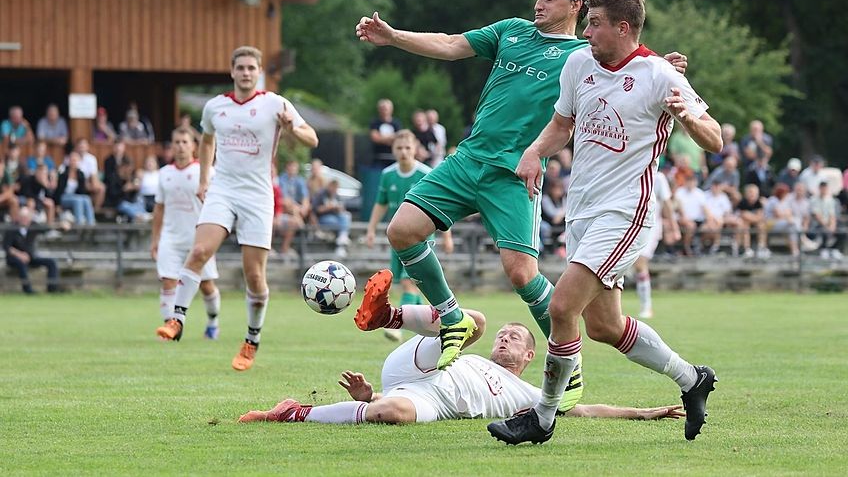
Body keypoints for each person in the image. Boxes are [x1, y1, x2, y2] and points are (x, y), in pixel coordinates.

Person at [355, 0, 689, 381]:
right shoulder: (510, 31)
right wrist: (394, 37)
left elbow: (628, 57)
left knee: (522, 274)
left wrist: (660, 64)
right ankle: (453, 318)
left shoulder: (582, 55)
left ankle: (569, 369)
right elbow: (451, 43)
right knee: (402, 230)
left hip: (515, 173)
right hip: (468, 159)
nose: (538, 4)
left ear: (576, 6)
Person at [487, 0, 720, 446]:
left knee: (560, 307)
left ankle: (543, 417)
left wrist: (689, 120)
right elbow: (562, 124)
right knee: (604, 328)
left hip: (625, 211)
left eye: (594, 23)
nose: (586, 32)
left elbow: (714, 138)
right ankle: (692, 378)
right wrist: (534, 152)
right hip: (582, 212)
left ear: (623, 27)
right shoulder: (579, 64)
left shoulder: (658, 74)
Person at [240, 302, 684, 426]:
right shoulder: (468, 355)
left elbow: (584, 409)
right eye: (505, 337)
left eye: (515, 338)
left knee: (390, 413)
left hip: (428, 399)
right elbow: (477, 332)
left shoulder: (533, 395)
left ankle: (291, 412)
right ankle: (390, 316)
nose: (505, 339)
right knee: (475, 322)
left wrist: (645, 412)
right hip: (426, 365)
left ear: (530, 357)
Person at [155, 46, 318, 372]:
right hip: (223, 190)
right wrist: (205, 179)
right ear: (232, 71)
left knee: (254, 275)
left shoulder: (275, 103)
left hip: (258, 195)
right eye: (240, 67)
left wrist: (292, 128)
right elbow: (207, 140)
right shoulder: (215, 106)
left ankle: (251, 340)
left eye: (251, 68)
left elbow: (311, 139)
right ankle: (176, 319)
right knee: (199, 251)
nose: (245, 73)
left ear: (259, 72)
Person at [365, 131, 452, 341]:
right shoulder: (388, 174)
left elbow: (440, 205)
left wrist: (447, 236)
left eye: (407, 148)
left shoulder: (425, 173)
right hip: (397, 239)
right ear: (393, 150)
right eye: (399, 148)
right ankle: (430, 329)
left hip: (421, 238)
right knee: (412, 285)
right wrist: (371, 229)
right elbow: (381, 203)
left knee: (408, 282)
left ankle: (397, 326)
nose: (403, 152)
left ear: (415, 149)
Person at [150, 127, 221, 339]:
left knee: (206, 286)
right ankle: (169, 329)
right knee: (168, 281)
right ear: (171, 146)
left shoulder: (207, 173)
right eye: (177, 142)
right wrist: (155, 239)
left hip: (199, 240)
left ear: (193, 146)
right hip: (170, 238)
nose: (180, 146)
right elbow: (159, 208)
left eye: (184, 142)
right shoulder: (164, 174)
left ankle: (213, 323)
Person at [633, 169, 678, 318]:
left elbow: (667, 204)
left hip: (650, 226)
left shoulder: (659, 178)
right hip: (631, 224)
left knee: (640, 263)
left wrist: (674, 228)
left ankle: (646, 306)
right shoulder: (632, 171)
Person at [3, 206, 59, 294]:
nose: (24, 220)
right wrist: (20, 255)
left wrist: (61, 225)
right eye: (22, 217)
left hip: (30, 257)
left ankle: (52, 289)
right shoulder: (11, 228)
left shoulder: (33, 226)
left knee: (51, 262)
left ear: (30, 218)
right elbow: (6, 247)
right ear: (19, 217)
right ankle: (28, 290)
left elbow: (47, 228)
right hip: (14, 258)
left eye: (26, 218)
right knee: (21, 264)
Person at [55, 151, 95, 226]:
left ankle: (91, 223)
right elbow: (58, 190)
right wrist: (57, 204)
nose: (73, 162)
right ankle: (79, 224)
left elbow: (82, 191)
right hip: (64, 197)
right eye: (72, 160)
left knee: (87, 199)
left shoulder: (81, 174)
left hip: (75, 196)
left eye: (75, 160)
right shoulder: (63, 174)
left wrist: (81, 180)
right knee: (78, 199)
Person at [809, 181, 844, 259]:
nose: (824, 190)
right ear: (819, 188)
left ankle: (835, 249)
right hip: (818, 223)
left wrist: (832, 226)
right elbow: (817, 215)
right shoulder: (813, 199)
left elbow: (832, 215)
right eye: (822, 188)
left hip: (829, 222)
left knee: (842, 231)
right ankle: (824, 249)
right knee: (824, 231)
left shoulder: (830, 200)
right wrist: (826, 226)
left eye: (825, 188)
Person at [674, 175, 708, 256]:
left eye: (692, 181)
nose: (691, 184)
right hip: (682, 219)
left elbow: (705, 208)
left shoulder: (700, 193)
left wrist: (710, 219)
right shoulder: (679, 192)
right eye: (689, 181)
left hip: (698, 220)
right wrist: (685, 218)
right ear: (685, 182)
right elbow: (678, 209)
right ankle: (687, 248)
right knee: (690, 226)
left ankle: (700, 247)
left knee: (710, 227)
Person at [736, 184, 769, 258]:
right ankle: (746, 249)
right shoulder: (742, 202)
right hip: (745, 223)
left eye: (754, 193)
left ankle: (761, 248)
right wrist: (756, 218)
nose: (752, 195)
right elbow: (744, 215)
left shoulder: (760, 202)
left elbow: (761, 216)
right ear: (746, 194)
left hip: (755, 222)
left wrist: (755, 218)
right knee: (745, 225)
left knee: (762, 225)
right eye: (750, 192)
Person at [74, 138, 106, 210]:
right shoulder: (73, 157)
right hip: (77, 181)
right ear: (77, 147)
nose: (82, 148)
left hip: (88, 181)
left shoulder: (91, 158)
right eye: (80, 146)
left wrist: (94, 185)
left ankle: (95, 211)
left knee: (101, 188)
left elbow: (94, 175)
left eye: (84, 146)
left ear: (87, 147)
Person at [369, 99, 400, 168]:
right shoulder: (375, 122)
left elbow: (398, 139)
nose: (384, 111)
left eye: (386, 108)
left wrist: (381, 137)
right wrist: (391, 138)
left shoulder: (396, 123)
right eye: (382, 108)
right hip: (378, 158)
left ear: (391, 109)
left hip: (393, 158)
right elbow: (375, 138)